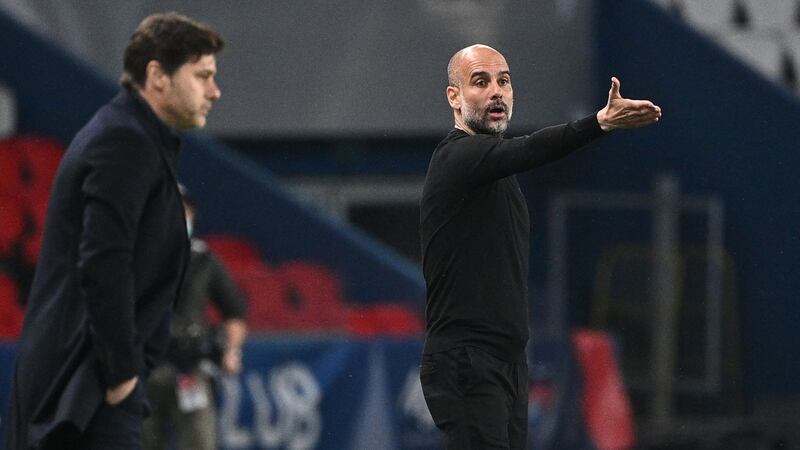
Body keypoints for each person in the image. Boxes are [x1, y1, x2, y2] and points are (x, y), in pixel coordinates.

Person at [418, 44, 661, 449]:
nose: (497, 91)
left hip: (507, 362)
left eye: (504, 81)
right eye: (481, 82)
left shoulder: (496, 172)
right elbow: (527, 148)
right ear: (454, 97)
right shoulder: (456, 158)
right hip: (467, 361)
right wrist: (598, 123)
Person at [4, 12, 223, 450]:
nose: (214, 92)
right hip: (85, 388)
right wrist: (121, 372)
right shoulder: (124, 141)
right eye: (202, 76)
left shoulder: (134, 137)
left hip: (92, 381)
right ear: (157, 76)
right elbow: (104, 260)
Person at [143, 186, 247, 450]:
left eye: (183, 210)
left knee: (199, 442)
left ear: (192, 214)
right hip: (142, 368)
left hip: (189, 365)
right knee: (142, 442)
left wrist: (231, 350)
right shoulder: (134, 257)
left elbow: (235, 313)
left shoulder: (205, 260)